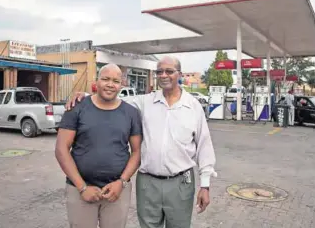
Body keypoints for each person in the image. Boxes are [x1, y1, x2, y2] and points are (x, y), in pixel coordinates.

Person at [66, 56, 217, 228]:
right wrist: (86, 95)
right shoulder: (145, 102)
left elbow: (204, 146)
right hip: (148, 183)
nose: (164, 75)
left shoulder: (193, 106)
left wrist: (205, 185)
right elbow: (114, 99)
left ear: (179, 74)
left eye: (169, 71)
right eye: (159, 72)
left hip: (180, 183)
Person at [55, 64, 142, 228]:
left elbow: (137, 152)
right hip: (80, 189)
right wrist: (82, 188)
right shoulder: (77, 108)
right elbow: (61, 149)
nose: (110, 84)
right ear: (96, 81)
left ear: (121, 85)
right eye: (105, 79)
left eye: (116, 81)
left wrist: (121, 182)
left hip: (117, 191)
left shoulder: (131, 113)